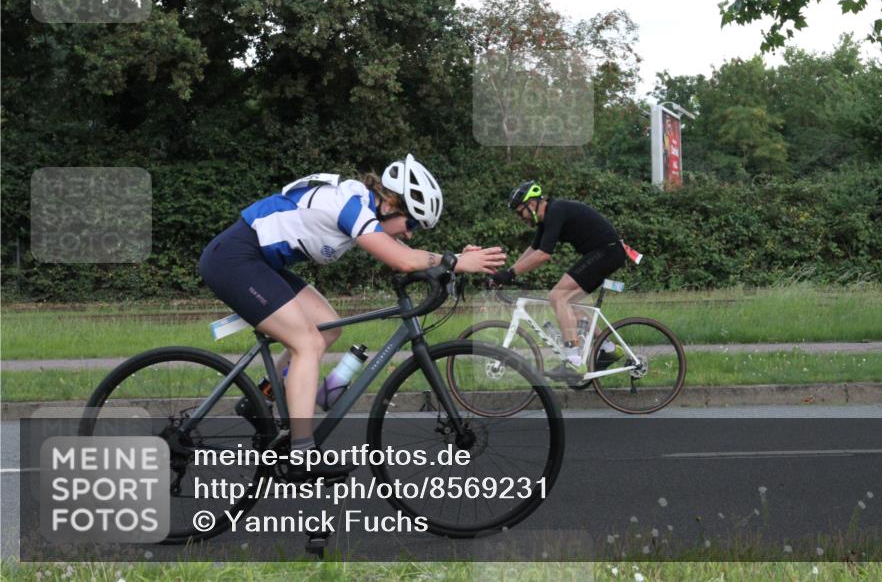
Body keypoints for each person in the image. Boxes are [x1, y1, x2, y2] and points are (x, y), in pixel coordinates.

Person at [199, 155, 505, 478]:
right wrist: (455, 261)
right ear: (390, 204)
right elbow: (401, 260)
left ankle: (260, 399)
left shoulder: (361, 208)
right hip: (234, 259)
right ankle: (302, 455)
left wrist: (451, 261)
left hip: (259, 262)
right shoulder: (350, 205)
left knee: (327, 327)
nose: (410, 234)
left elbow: (405, 255)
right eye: (412, 224)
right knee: (307, 343)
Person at [491, 181, 630, 382]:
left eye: (520, 212)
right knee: (568, 302)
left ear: (532, 204)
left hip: (606, 252)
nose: (521, 218)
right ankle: (608, 349)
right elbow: (534, 249)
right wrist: (508, 273)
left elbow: (543, 255)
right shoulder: (547, 217)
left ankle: (574, 360)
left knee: (558, 296)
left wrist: (511, 274)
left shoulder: (555, 211)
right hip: (604, 253)